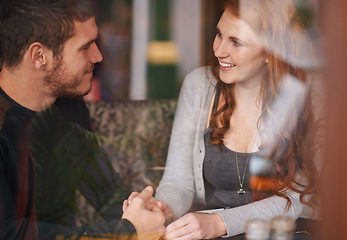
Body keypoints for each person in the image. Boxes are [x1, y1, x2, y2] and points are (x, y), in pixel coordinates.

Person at [124, 0, 321, 239]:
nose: (218, 50)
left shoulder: (306, 94)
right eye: (219, 34)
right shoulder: (198, 85)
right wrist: (165, 209)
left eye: (236, 42)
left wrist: (220, 223)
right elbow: (179, 182)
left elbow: (301, 197)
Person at [0, 0, 165, 239]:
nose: (98, 56)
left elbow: (105, 192)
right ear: (39, 56)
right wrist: (128, 230)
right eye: (85, 47)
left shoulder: (67, 105)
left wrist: (142, 209)